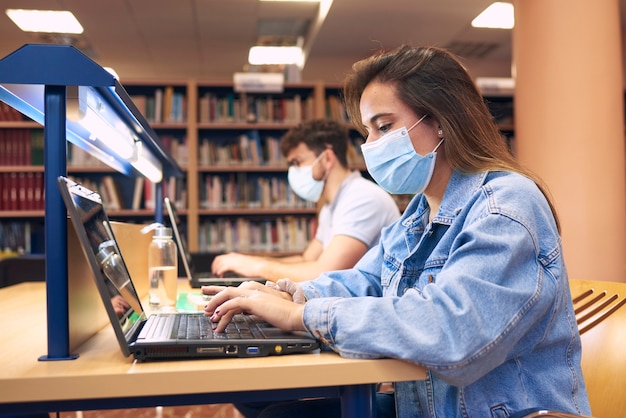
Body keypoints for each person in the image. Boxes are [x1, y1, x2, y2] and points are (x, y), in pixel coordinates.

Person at [202, 45, 591, 418]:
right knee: (271, 408)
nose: (369, 146)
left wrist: (301, 316)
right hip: (430, 407)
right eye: (367, 131)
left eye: (383, 126)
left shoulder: (505, 206)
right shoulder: (418, 213)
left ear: (440, 120)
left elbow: (453, 333)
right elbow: (366, 281)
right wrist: (287, 295)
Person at [211, 119, 400, 282]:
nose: (293, 171)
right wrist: (246, 262)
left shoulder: (362, 197)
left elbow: (324, 272)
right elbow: (307, 259)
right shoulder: (332, 205)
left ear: (326, 158)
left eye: (297, 162)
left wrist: (258, 267)